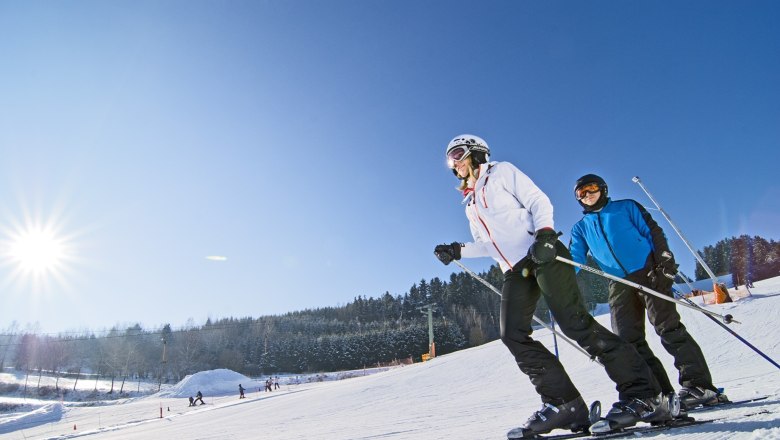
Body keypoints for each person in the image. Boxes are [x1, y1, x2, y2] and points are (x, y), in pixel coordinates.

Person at [433, 135, 671, 437]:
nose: (454, 162)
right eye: (449, 159)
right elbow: (489, 244)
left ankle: (643, 394)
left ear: (477, 153)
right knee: (512, 334)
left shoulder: (501, 172)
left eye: (457, 153)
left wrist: (545, 236)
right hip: (515, 269)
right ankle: (564, 404)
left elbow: (537, 201)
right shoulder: (470, 203)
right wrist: (459, 250)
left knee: (575, 324)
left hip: (543, 253)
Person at [569, 174, 724, 410]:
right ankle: (659, 394)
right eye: (581, 193)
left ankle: (700, 386)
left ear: (603, 189)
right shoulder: (580, 228)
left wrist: (664, 264)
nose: (587, 195)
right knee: (627, 341)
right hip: (617, 282)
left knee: (668, 328)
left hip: (648, 272)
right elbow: (575, 260)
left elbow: (653, 232)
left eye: (591, 189)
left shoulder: (626, 207)